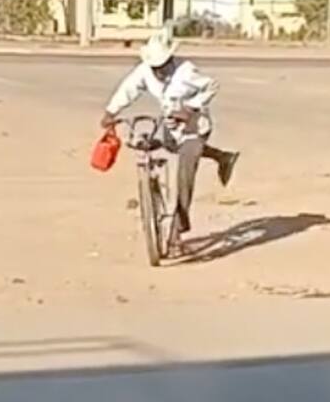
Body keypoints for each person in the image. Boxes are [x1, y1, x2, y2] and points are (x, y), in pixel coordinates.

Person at [99, 31, 239, 254]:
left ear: (170, 59)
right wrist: (110, 112)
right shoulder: (145, 71)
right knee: (168, 145)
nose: (159, 71)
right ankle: (222, 156)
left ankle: (176, 231)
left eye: (162, 65)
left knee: (185, 173)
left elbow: (211, 86)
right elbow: (129, 89)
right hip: (171, 126)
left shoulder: (187, 71)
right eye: (155, 67)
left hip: (194, 126)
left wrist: (190, 108)